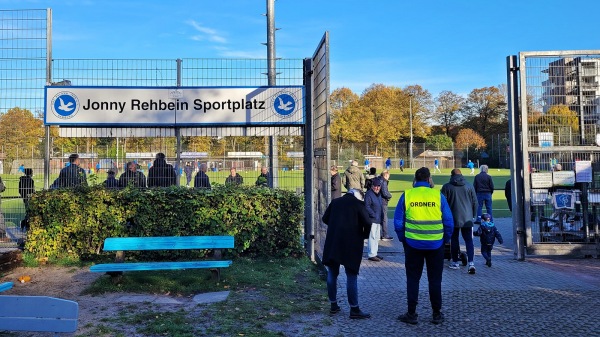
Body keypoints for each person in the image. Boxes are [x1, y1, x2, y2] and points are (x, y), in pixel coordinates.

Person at [394, 167, 454, 325]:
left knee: (413, 279)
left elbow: (398, 222)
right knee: (435, 280)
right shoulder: (437, 195)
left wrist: (403, 239)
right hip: (435, 244)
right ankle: (436, 314)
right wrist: (445, 239)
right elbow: (449, 222)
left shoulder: (407, 195)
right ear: (429, 179)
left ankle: (412, 313)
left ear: (415, 180)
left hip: (413, 244)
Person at [322, 189, 372, 319]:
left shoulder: (335, 202)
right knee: (351, 275)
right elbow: (367, 222)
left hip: (334, 242)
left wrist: (336, 225)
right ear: (359, 196)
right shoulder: (358, 204)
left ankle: (333, 305)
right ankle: (354, 309)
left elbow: (325, 218)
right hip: (352, 244)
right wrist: (364, 235)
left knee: (332, 273)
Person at [441, 168, 478, 274]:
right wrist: (473, 216)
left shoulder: (447, 187)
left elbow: (443, 204)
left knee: (454, 239)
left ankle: (455, 262)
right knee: (468, 240)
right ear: (461, 174)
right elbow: (475, 202)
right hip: (467, 218)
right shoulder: (469, 185)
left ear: (451, 175)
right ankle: (471, 263)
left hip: (453, 218)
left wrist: (444, 217)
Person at [365, 177, 385, 262]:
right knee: (372, 237)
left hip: (378, 219)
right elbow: (367, 206)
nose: (377, 188)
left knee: (376, 237)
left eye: (378, 186)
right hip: (373, 219)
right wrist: (373, 214)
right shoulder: (369, 194)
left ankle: (375, 253)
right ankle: (371, 254)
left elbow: (380, 206)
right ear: (372, 186)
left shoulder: (379, 194)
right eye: (375, 186)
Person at [379, 170, 393, 241]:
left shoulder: (379, 179)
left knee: (379, 218)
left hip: (378, 201)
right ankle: (385, 235)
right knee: (384, 219)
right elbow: (384, 193)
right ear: (386, 175)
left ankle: (378, 234)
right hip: (383, 201)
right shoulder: (384, 181)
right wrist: (390, 196)